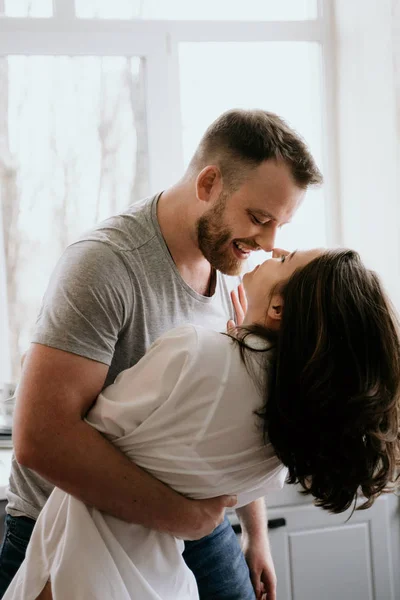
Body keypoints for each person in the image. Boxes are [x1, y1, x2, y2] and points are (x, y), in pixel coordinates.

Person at [0, 109, 323, 600]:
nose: (268, 245)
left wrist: (255, 534)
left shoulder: (230, 266)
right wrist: (184, 516)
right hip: (71, 520)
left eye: (280, 225)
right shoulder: (105, 266)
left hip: (187, 518)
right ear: (209, 183)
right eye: (260, 219)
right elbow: (39, 438)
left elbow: (233, 417)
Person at [3, 247, 400, 600]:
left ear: (278, 309)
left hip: (85, 560)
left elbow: (90, 426)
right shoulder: (286, 440)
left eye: (284, 259)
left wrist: (31, 370)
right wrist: (243, 345)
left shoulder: (193, 350)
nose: (271, 247)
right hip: (160, 577)